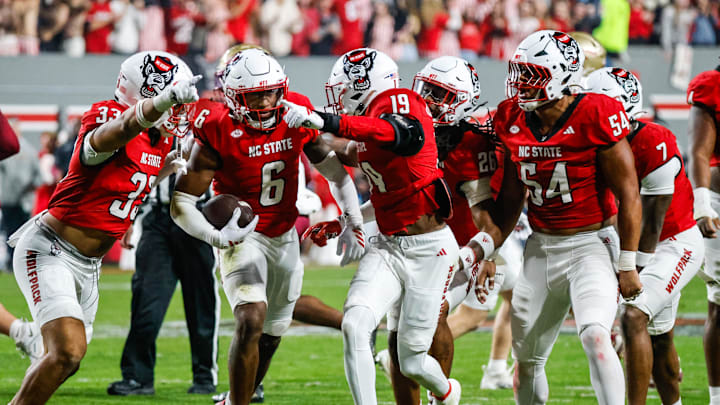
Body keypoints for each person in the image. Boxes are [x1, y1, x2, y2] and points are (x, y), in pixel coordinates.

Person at [283, 47, 479, 405]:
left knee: (412, 360)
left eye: (344, 89)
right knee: (355, 324)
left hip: (430, 250)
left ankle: (448, 392)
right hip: (389, 246)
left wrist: (322, 119)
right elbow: (357, 161)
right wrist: (345, 218)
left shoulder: (400, 101)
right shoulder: (370, 124)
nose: (340, 98)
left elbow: (398, 134)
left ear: (362, 85)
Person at [171, 48, 364, 405]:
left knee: (273, 330)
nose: (265, 102)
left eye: (271, 92)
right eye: (254, 95)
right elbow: (181, 203)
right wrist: (216, 235)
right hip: (242, 235)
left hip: (284, 232)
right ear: (233, 97)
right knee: (251, 317)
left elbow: (334, 170)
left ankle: (238, 395)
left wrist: (353, 219)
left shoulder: (295, 111)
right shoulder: (217, 126)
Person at [7, 50, 200, 405]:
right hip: (52, 249)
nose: (178, 110)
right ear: (148, 92)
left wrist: (161, 174)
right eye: (171, 98)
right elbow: (119, 133)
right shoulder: (108, 115)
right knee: (67, 351)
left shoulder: (159, 140)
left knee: (65, 361)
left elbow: (123, 181)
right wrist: (165, 99)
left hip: (89, 266)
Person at [492, 30, 642, 404]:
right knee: (525, 360)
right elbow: (512, 197)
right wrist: (488, 250)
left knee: (594, 333)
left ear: (561, 74)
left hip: (592, 242)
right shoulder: (511, 116)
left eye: (533, 74)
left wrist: (628, 263)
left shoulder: (596, 111)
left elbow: (629, 193)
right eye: (520, 72)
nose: (521, 83)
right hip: (541, 246)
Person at [588, 67, 702, 405]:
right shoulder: (593, 143)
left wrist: (631, 272)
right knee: (659, 337)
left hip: (673, 243)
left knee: (634, 314)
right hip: (631, 241)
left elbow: (652, 222)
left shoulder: (654, 141)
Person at [107, 132, 220, 396]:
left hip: (198, 217)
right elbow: (139, 173)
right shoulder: (150, 126)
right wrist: (129, 215)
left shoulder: (210, 122)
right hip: (157, 220)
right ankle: (137, 377)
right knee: (147, 301)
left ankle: (204, 376)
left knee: (201, 304)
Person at [687, 63, 720, 405]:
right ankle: (717, 396)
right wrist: (701, 204)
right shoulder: (712, 85)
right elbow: (699, 150)